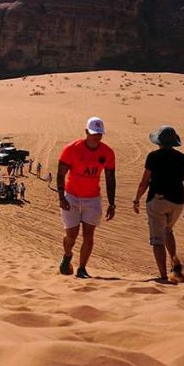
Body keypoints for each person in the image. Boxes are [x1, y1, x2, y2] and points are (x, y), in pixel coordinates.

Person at [57, 116, 116, 278]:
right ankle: (67, 255)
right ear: (86, 132)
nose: (96, 137)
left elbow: (110, 178)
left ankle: (82, 268)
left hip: (92, 198)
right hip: (72, 196)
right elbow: (60, 174)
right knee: (71, 236)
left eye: (99, 134)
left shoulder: (107, 152)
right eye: (93, 133)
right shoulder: (72, 149)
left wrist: (112, 203)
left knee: (89, 235)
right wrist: (61, 198)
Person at [133, 125, 184, 282]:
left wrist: (137, 199)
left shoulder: (153, 156)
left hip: (157, 201)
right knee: (168, 230)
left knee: (157, 239)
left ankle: (163, 276)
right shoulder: (182, 158)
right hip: (178, 203)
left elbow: (144, 182)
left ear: (159, 142)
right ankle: (174, 265)